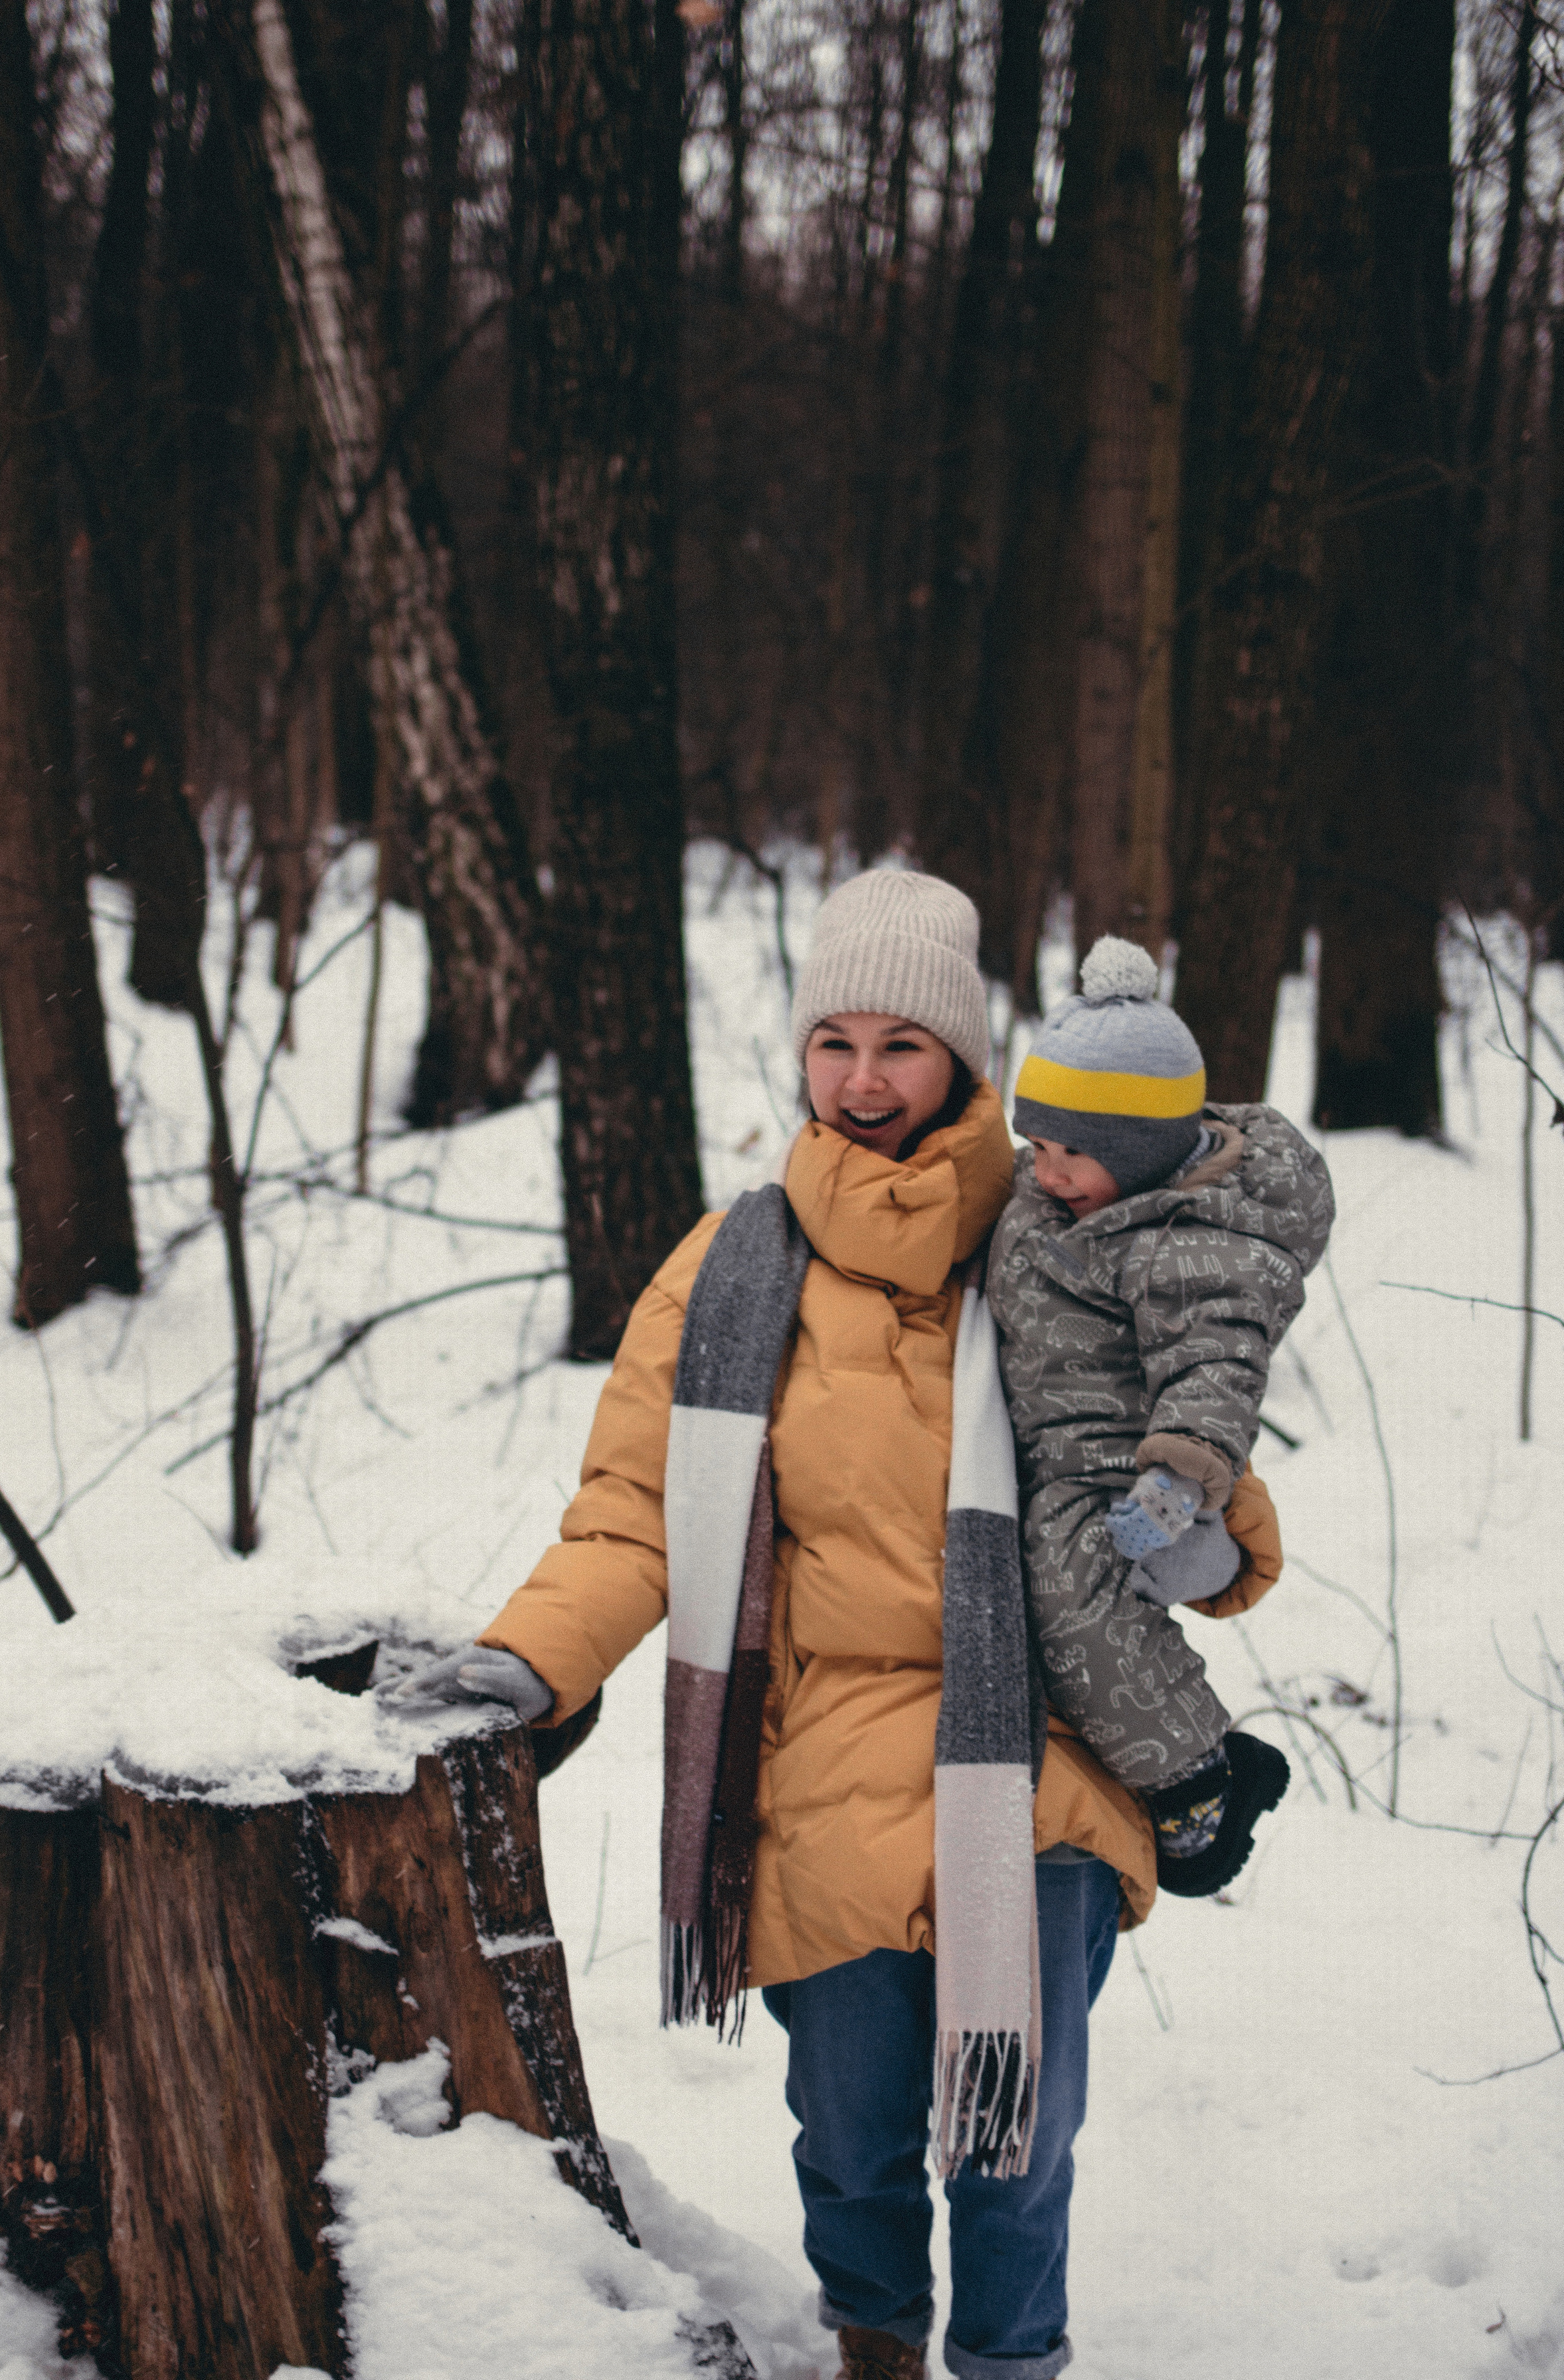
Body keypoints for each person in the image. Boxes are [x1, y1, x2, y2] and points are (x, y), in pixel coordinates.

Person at [404, 870, 1282, 2380]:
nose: (864, 1081)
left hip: (1041, 1758)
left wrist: (1205, 1543)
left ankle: (1013, 2360)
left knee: (1016, 2137)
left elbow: (1195, 1468)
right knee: (853, 2127)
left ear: (960, 1061)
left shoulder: (1061, 1235)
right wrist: (530, 1659)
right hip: (816, 1770)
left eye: (902, 1046)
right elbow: (631, 1511)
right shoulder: (728, 1266)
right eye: (835, 1044)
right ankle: (873, 2339)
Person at [990, 933, 1334, 1896]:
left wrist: (1179, 1475)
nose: (1046, 1172)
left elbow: (1218, 1361)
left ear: (1141, 1156)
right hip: (1044, 1443)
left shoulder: (1190, 1243)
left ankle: (1197, 1778)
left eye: (1072, 1156)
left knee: (1071, 1596)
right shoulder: (1063, 1194)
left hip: (1113, 1465)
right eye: (1036, 1146)